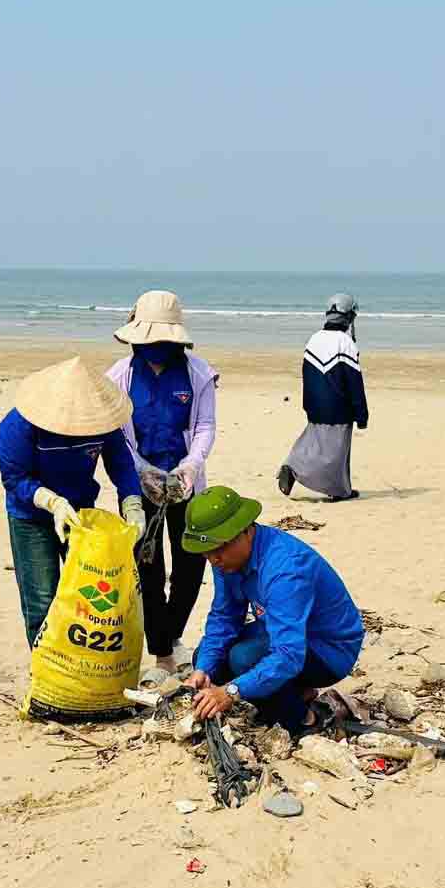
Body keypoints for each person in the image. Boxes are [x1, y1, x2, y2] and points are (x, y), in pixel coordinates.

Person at [181, 486, 364, 732]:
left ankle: (306, 719)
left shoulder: (285, 570)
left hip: (329, 648)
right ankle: (296, 693)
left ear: (245, 531)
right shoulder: (226, 560)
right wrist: (203, 668)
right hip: (282, 631)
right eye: (207, 553)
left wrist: (231, 691)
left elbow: (289, 655)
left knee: (242, 658)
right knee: (207, 655)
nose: (213, 560)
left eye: (218, 550)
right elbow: (224, 617)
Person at [104, 292, 218, 682]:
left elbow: (204, 425)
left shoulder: (198, 374)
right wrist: (143, 471)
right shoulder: (119, 377)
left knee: (190, 565)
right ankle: (163, 655)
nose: (155, 349)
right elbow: (118, 435)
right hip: (140, 487)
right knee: (148, 568)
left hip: (186, 486)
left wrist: (190, 465)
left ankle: (170, 636)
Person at [0, 358, 146, 650]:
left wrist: (132, 504)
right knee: (41, 598)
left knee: (90, 597)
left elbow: (121, 464)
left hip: (80, 513)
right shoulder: (17, 426)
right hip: (31, 517)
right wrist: (52, 502)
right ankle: (43, 668)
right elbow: (14, 478)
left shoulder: (99, 422)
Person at [278, 294, 369, 502]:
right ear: (349, 317)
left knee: (313, 442)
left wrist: (308, 404)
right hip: (339, 407)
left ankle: (294, 466)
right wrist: (361, 413)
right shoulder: (346, 343)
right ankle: (332, 488)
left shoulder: (314, 339)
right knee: (336, 454)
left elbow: (307, 375)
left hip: (314, 404)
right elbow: (354, 382)